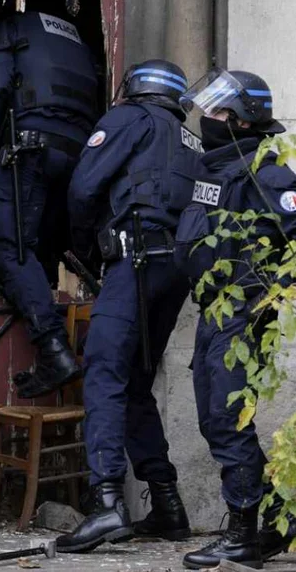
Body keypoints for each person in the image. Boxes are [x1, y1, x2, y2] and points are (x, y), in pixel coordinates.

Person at [57, 59, 202, 553]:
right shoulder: (191, 140)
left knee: (102, 372)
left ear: (135, 88)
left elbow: (82, 188)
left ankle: (106, 504)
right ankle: (167, 505)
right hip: (176, 268)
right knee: (137, 382)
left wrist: (85, 250)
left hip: (134, 260)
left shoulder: (127, 119)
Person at [175, 68, 296, 569]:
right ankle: (272, 525)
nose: (209, 119)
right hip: (215, 310)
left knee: (227, 416)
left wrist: (270, 298)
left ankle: (245, 533)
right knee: (213, 417)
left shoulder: (267, 171)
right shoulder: (217, 167)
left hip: (243, 311)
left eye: (220, 112)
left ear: (246, 120)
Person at [0, 9, 99, 399]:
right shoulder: (75, 38)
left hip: (29, 150)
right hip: (77, 156)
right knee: (41, 252)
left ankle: (53, 349)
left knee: (11, 254)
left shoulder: (10, 30)